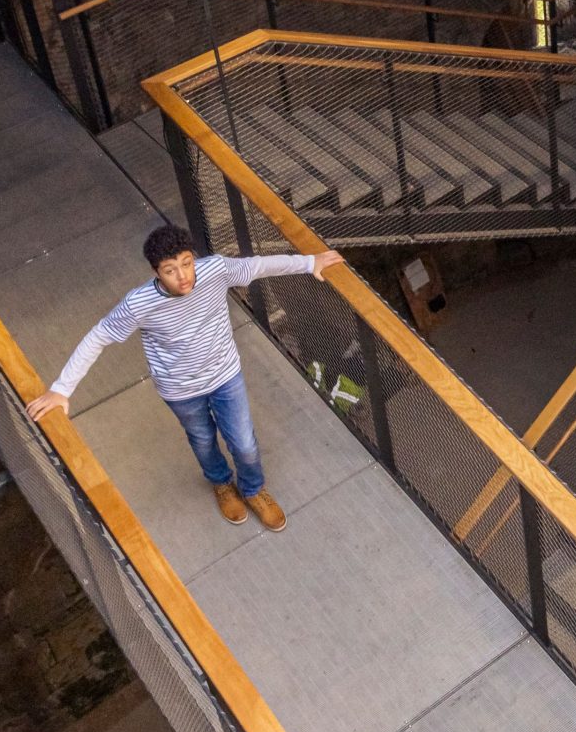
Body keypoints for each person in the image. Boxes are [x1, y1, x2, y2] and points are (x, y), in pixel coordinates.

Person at [29, 223, 343, 529]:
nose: (183, 276)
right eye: (170, 270)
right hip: (180, 389)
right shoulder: (138, 304)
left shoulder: (215, 270)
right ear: (156, 273)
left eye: (187, 263)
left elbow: (256, 266)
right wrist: (61, 389)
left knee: (244, 443)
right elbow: (99, 336)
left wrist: (309, 262)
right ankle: (221, 483)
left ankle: (252, 489)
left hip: (224, 375)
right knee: (203, 440)